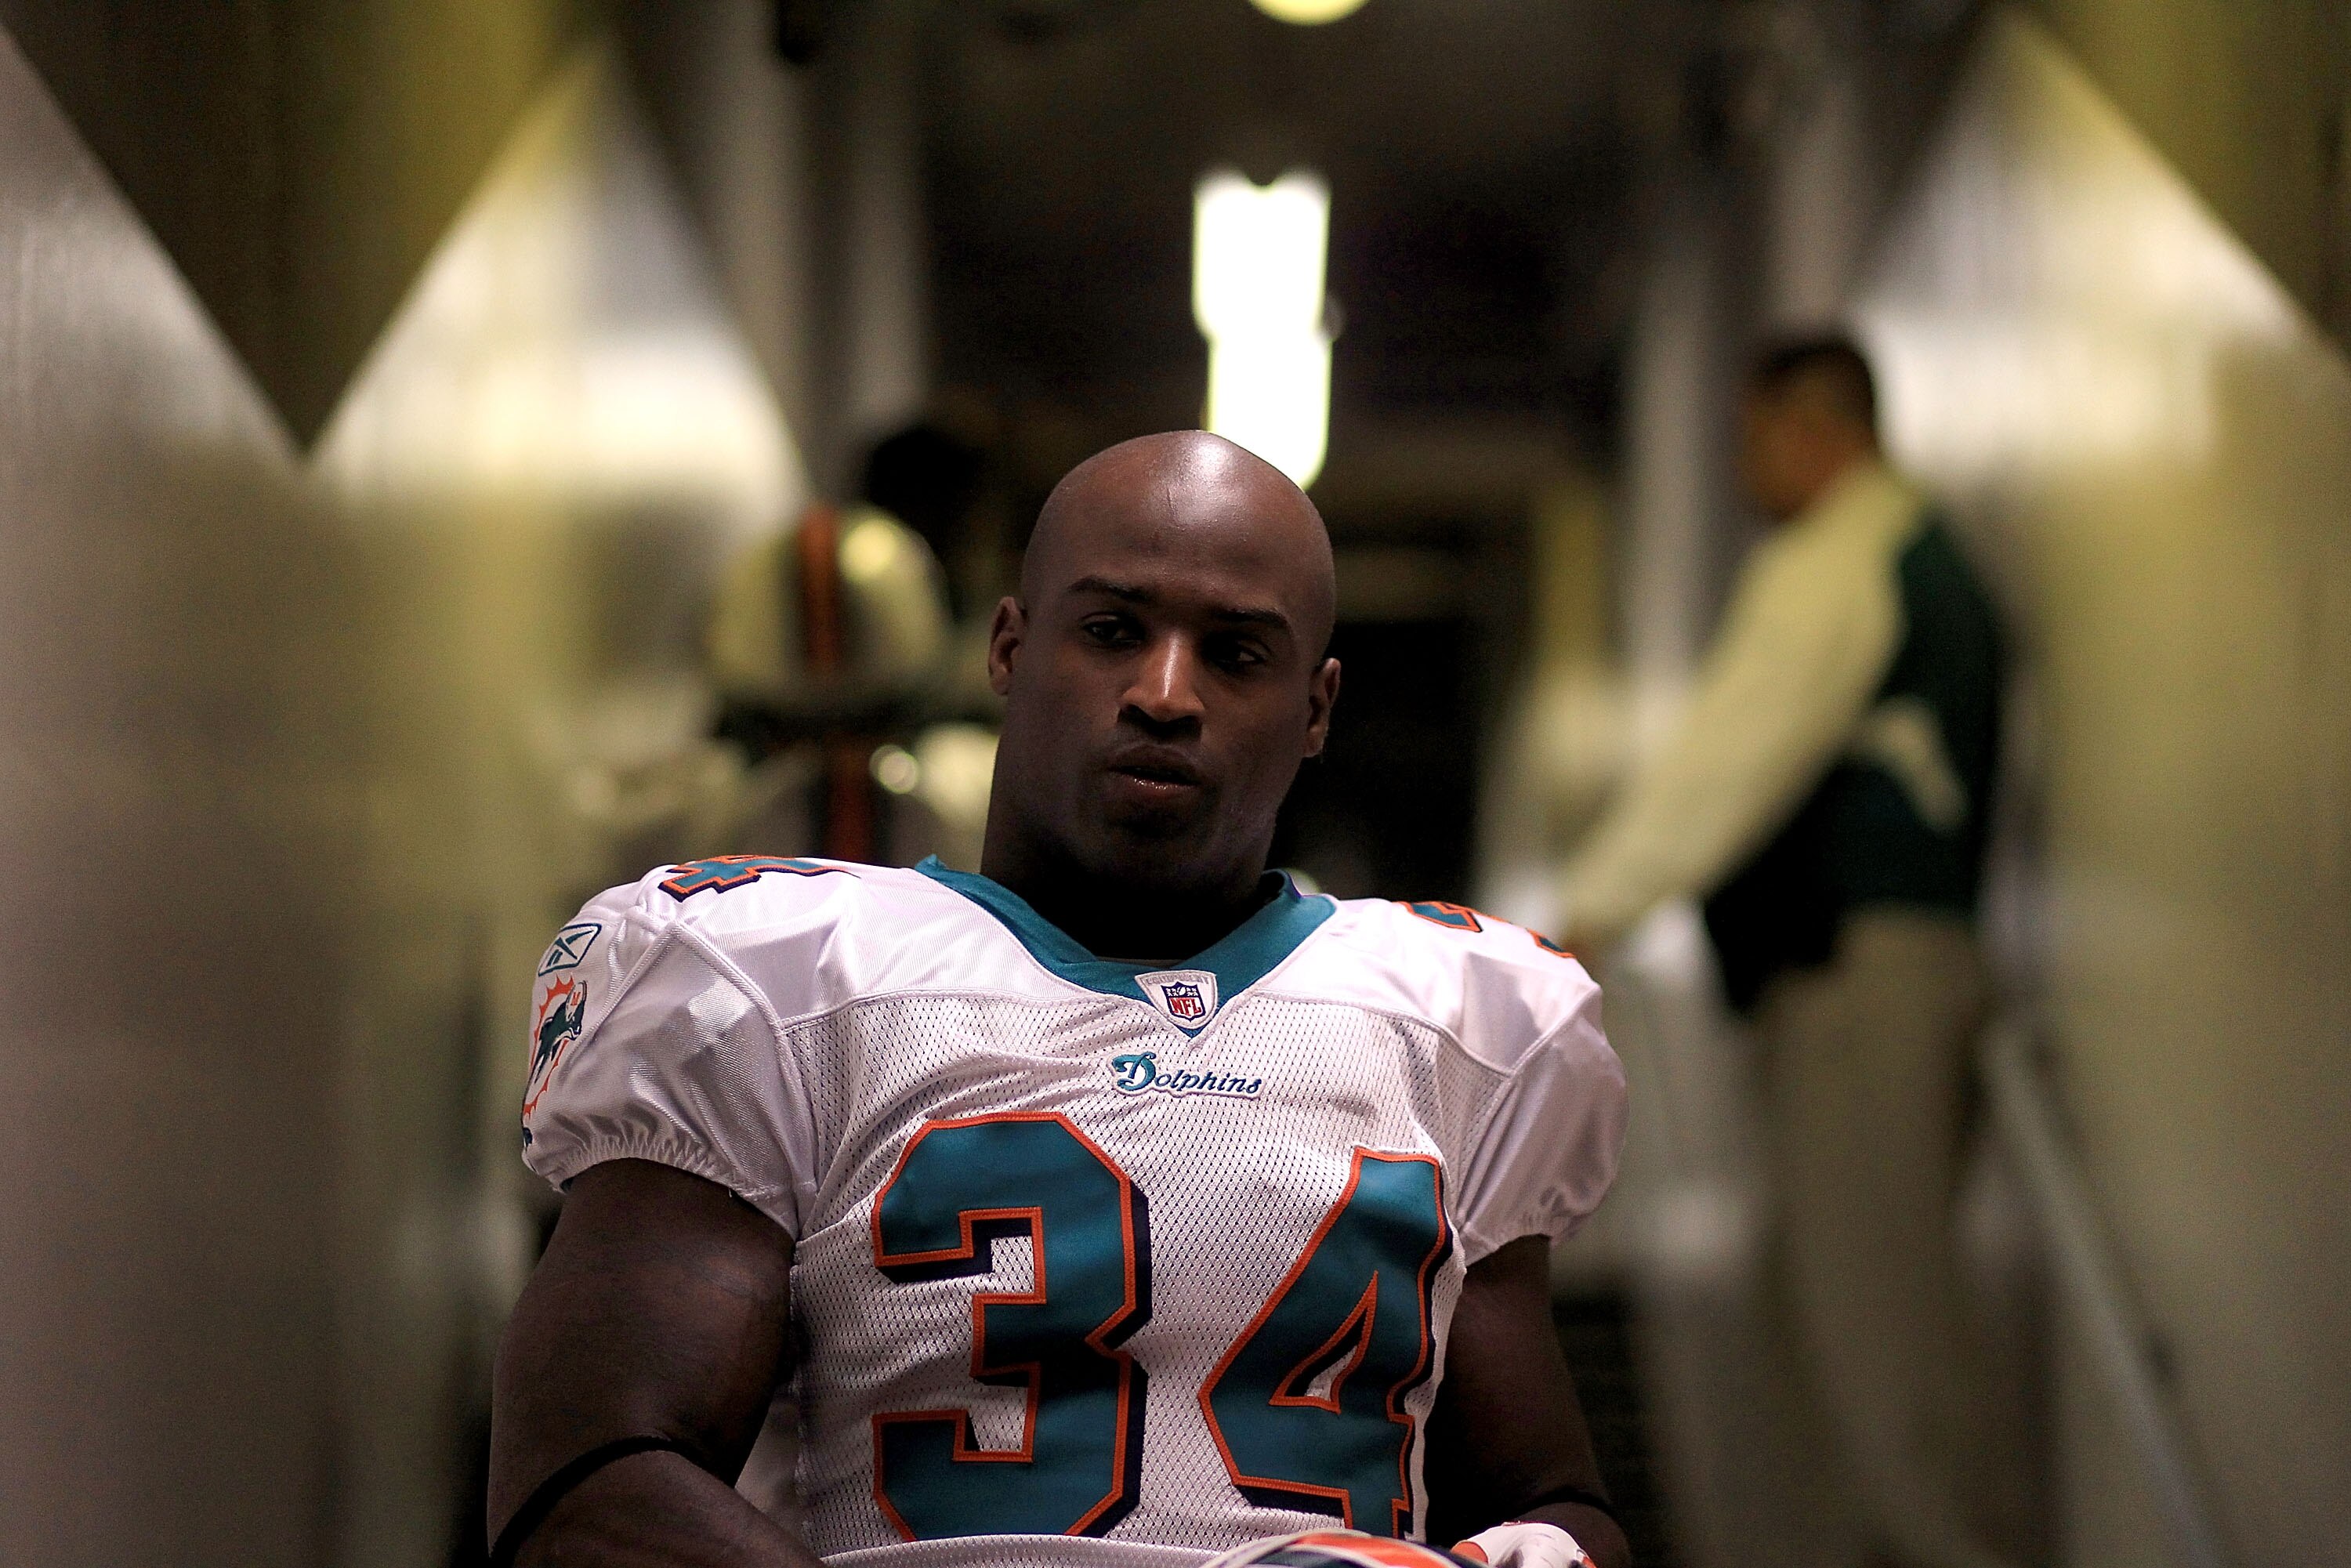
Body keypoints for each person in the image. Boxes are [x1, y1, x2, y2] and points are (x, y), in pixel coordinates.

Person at [489, 432, 1634, 1568]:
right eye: (1112, 631)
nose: (1165, 694)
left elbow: (1553, 1505)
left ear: (1318, 706)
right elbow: (586, 1484)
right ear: (1008, 646)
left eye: (1236, 654)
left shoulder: (1453, 1023)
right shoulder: (777, 987)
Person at [1552, 338, 2005, 1567]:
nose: (1745, 468)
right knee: (1831, 1309)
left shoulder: (1844, 557)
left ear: (1811, 429)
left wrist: (1592, 909)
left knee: (1869, 1323)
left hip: (1863, 977)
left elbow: (1731, 754)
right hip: (1891, 973)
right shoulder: (1914, 555)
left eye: (1752, 438)